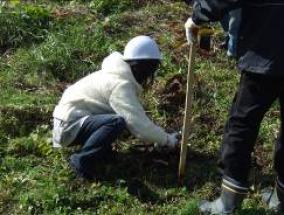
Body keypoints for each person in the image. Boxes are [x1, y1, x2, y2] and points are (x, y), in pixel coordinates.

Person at [185, 0, 284, 214]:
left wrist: (198, 14)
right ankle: (281, 198)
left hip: (269, 48)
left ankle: (227, 204)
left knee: (242, 123)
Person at [52, 35, 179, 180]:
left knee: (118, 120)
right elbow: (138, 125)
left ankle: (101, 153)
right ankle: (82, 161)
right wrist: (167, 140)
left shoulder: (117, 76)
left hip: (71, 121)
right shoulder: (119, 85)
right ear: (141, 67)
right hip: (68, 127)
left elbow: (136, 117)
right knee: (116, 122)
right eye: (150, 69)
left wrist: (160, 136)